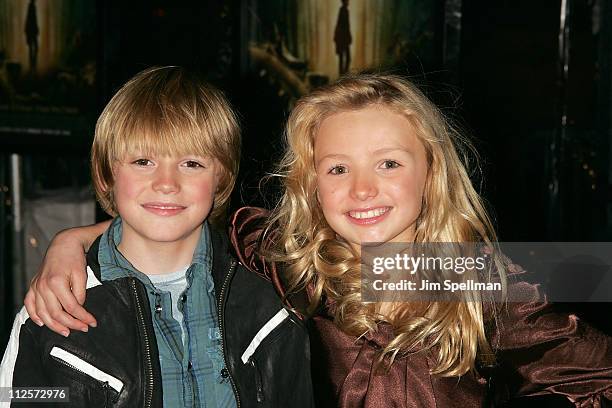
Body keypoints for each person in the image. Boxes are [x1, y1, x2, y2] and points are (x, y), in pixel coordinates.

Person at [18, 74, 612, 407]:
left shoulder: (469, 275)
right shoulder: (292, 260)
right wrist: (73, 240)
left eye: (388, 164)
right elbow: (179, 214)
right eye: (336, 170)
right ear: (310, 185)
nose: (361, 190)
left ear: (431, 172)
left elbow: (592, 371)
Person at [0, 66, 313, 407]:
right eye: (143, 160)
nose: (166, 183)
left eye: (192, 163)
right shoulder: (54, 306)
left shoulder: (269, 291)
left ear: (221, 178)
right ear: (107, 174)